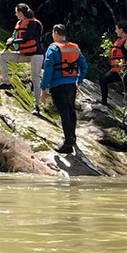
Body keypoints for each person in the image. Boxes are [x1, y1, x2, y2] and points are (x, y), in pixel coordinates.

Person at [39, 24, 88, 155]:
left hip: (57, 85)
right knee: (71, 110)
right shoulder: (75, 47)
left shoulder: (53, 48)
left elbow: (48, 69)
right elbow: (84, 65)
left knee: (64, 113)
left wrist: (43, 88)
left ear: (56, 33)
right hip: (71, 84)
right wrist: (80, 78)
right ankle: (72, 137)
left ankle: (68, 144)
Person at [0, 3, 45, 115]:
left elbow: (26, 38)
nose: (15, 14)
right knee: (2, 57)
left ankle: (37, 107)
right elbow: (14, 37)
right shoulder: (19, 23)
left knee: (35, 79)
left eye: (16, 12)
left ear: (21, 12)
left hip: (36, 55)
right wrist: (5, 49)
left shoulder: (33, 23)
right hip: (24, 53)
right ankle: (6, 82)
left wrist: (13, 41)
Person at [99, 21, 127, 123]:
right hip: (118, 70)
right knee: (103, 79)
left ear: (121, 29)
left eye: (117, 28)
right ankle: (103, 104)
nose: (115, 31)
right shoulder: (120, 40)